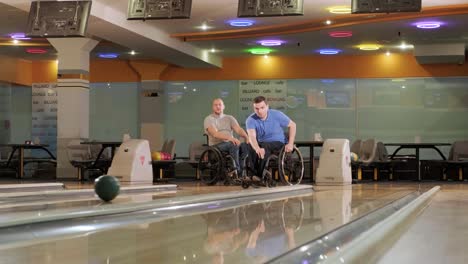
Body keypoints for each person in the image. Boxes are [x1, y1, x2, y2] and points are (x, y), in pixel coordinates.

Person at [245, 96, 296, 178]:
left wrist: (290, 143)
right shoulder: (250, 120)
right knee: (250, 145)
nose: (260, 111)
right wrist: (257, 148)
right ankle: (253, 174)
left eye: (262, 108)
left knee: (265, 146)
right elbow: (252, 137)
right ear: (253, 108)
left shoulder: (276, 114)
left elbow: (293, 125)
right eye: (256, 108)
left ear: (267, 106)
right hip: (262, 143)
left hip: (279, 143)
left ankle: (260, 175)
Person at [204, 98, 249, 176]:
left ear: (223, 106)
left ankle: (242, 173)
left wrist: (247, 137)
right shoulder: (209, 119)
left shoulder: (229, 118)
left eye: (220, 105)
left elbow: (238, 129)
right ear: (212, 107)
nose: (218, 107)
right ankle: (236, 172)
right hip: (216, 146)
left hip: (230, 143)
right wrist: (230, 138)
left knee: (244, 146)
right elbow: (215, 134)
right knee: (233, 144)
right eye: (215, 105)